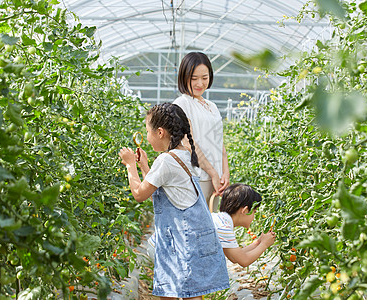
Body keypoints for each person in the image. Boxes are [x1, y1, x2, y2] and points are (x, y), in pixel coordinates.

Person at [118, 103, 229, 299]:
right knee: (192, 293)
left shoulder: (166, 161)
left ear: (159, 132)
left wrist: (130, 166)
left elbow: (139, 193)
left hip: (178, 243)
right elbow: (162, 191)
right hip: (190, 240)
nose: (148, 136)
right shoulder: (185, 156)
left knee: (171, 293)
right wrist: (145, 165)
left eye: (148, 131)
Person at [173, 52, 229, 211]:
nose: (199, 83)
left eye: (204, 78)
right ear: (184, 77)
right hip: (196, 177)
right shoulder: (182, 104)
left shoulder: (212, 106)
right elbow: (189, 143)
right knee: (197, 228)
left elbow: (219, 142)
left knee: (211, 225)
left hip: (216, 180)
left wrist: (225, 172)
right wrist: (212, 173)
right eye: (193, 78)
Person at [212, 183, 276, 267]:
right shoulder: (223, 227)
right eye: (254, 212)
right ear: (245, 210)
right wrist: (264, 244)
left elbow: (234, 258)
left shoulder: (221, 221)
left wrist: (258, 242)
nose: (254, 216)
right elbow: (244, 260)